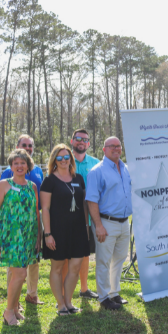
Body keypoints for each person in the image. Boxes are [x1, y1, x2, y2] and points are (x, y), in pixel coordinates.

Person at [0, 149, 41, 325]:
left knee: (19, 275)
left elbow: (36, 214)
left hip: (28, 236)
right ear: (11, 166)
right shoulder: (4, 184)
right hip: (9, 237)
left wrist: (38, 238)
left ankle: (13, 309)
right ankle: (9, 312)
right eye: (16, 163)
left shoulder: (32, 187)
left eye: (23, 163)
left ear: (28, 166)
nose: (19, 166)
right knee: (19, 274)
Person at [41, 144, 90, 316]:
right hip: (57, 230)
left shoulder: (78, 179)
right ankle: (60, 303)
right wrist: (47, 234)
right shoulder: (49, 181)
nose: (63, 161)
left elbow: (84, 204)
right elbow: (45, 209)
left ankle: (69, 301)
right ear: (54, 160)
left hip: (78, 229)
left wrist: (86, 226)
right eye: (59, 158)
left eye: (66, 157)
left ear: (71, 158)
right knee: (57, 267)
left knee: (75, 266)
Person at [86, 137, 132, 310]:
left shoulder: (126, 168)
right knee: (104, 261)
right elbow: (91, 200)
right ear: (104, 149)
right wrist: (98, 225)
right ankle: (104, 296)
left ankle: (114, 293)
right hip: (106, 222)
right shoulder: (97, 171)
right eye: (111, 146)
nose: (116, 148)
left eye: (118, 145)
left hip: (124, 222)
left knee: (119, 259)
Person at [0, 134, 44, 306]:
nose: (27, 148)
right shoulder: (8, 171)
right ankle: (14, 300)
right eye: (24, 145)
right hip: (14, 223)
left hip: (33, 220)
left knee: (34, 260)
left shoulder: (38, 171)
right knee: (14, 262)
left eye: (30, 145)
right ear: (17, 146)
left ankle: (32, 294)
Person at [61, 129, 100, 300]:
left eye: (85, 139)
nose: (81, 142)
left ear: (89, 144)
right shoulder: (64, 161)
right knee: (65, 257)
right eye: (78, 139)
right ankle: (62, 294)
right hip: (68, 218)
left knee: (85, 254)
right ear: (72, 141)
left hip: (91, 218)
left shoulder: (96, 163)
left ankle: (84, 289)